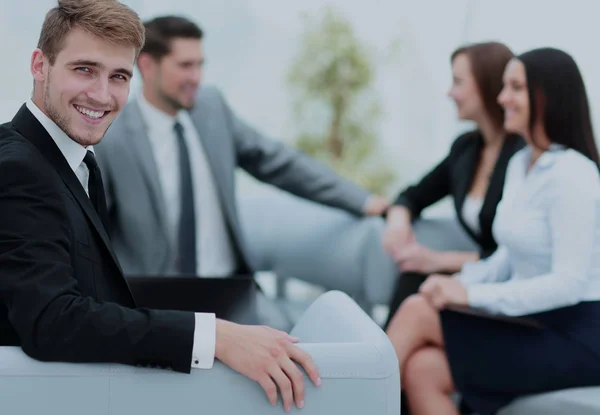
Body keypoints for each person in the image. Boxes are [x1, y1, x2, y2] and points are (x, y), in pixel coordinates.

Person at [0, 1, 322, 412]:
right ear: (39, 65)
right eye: (84, 69)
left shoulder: (73, 158)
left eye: (118, 76)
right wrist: (216, 337)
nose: (101, 95)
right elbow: (52, 321)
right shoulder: (19, 168)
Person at [386, 47, 600, 415]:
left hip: (577, 334)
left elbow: (567, 283)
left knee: (417, 312)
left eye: (515, 87)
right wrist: (458, 281)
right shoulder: (521, 164)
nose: (502, 98)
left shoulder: (574, 176)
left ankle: (340, 401)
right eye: (503, 86)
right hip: (533, 318)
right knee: (423, 369)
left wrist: (470, 294)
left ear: (545, 97)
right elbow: (506, 256)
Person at [94, 15, 389, 278]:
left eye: (200, 65)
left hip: (229, 286)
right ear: (146, 65)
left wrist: (363, 201)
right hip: (153, 299)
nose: (196, 77)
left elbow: (279, 162)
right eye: (185, 66)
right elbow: (94, 229)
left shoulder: (212, 109)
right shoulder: (112, 135)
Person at [382, 42, 524, 328]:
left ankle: (379, 367)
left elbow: (517, 253)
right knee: (413, 278)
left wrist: (438, 260)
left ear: (486, 84)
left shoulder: (523, 156)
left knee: (420, 286)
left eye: (457, 82)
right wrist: (398, 224)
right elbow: (411, 196)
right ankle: (380, 364)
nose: (449, 93)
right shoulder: (466, 150)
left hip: (511, 283)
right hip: (478, 273)